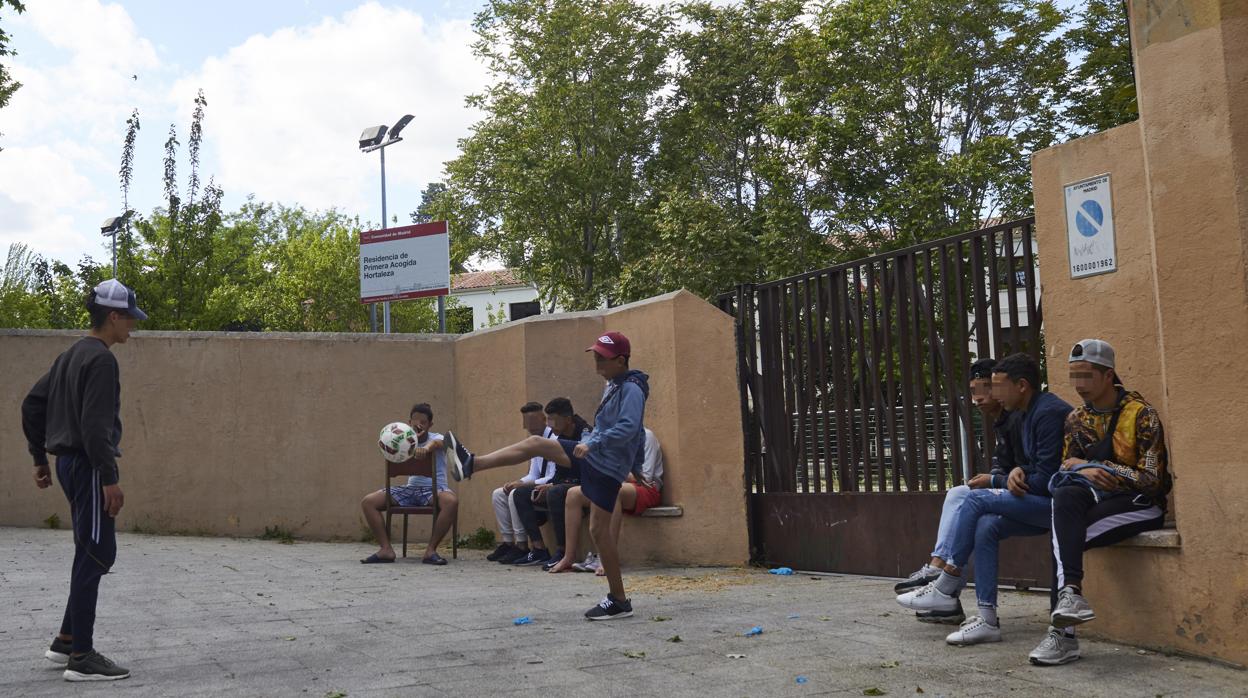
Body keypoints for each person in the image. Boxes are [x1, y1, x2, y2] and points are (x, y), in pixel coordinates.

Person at [446, 330, 649, 620]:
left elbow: (630, 427)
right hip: (596, 458)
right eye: (595, 356)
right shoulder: (614, 384)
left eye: (602, 358)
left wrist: (593, 443)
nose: (596, 363)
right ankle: (471, 464)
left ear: (620, 360)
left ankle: (618, 599)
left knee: (598, 533)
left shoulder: (631, 389)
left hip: (605, 466)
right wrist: (598, 444)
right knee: (536, 443)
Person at [898, 352, 1073, 646]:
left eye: (997, 386)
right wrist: (1016, 472)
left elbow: (1046, 481)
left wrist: (1000, 480)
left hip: (1059, 507)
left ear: (1021, 386)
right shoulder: (1028, 413)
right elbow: (1029, 466)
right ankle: (987, 619)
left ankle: (948, 580)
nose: (992, 394)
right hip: (1040, 502)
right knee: (986, 526)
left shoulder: (1046, 413)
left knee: (975, 500)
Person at [21, 279, 147, 682]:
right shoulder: (102, 360)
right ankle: (83, 657)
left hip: (69, 465)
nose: (132, 326)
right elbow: (95, 428)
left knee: (87, 551)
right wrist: (110, 477)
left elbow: (32, 404)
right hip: (90, 467)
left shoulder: (71, 354)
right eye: (129, 318)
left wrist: (40, 457)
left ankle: (65, 640)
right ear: (113, 316)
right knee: (97, 553)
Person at [1028, 339, 1170, 666]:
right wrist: (1083, 469)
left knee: (1063, 542)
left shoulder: (1141, 415)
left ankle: (1062, 635)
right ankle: (1071, 598)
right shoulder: (1076, 419)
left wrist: (1098, 467)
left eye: (1087, 376)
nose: (1078, 386)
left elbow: (1151, 480)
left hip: (1141, 505)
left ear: (1108, 376)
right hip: (1098, 499)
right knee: (1064, 495)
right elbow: (1067, 466)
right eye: (1073, 376)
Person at [892, 358, 1023, 625]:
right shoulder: (1003, 422)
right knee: (967, 508)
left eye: (986, 388)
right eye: (973, 390)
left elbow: (1025, 469)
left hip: (1031, 496)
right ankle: (946, 597)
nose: (978, 398)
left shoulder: (1018, 418)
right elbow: (1005, 467)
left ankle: (938, 572)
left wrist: (994, 480)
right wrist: (993, 477)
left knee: (962, 498)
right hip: (1014, 492)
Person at [548, 427, 663, 575]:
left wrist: (609, 468)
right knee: (573, 494)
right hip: (618, 484)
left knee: (611, 491)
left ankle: (607, 558)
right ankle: (568, 556)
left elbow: (644, 477)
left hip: (647, 489)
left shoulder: (646, 436)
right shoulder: (612, 438)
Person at [359, 403, 457, 565]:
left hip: (434, 490)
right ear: (408, 422)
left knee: (451, 501)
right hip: (409, 489)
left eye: (423, 423)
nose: (418, 426)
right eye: (414, 422)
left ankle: (430, 550)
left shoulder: (437, 438)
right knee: (368, 502)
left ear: (430, 424)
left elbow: (441, 443)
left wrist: (426, 447)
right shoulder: (401, 440)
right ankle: (386, 550)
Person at [507, 398, 590, 567]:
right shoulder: (559, 437)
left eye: (554, 420)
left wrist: (552, 485)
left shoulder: (585, 433)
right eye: (549, 420)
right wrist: (549, 484)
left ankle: (561, 550)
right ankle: (539, 549)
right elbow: (558, 472)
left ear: (568, 419)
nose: (551, 425)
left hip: (585, 483)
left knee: (555, 492)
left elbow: (586, 468)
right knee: (521, 493)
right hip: (565, 484)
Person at [487, 402, 555, 563]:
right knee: (498, 494)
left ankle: (522, 545)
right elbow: (533, 473)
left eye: (533, 422)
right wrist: (518, 481)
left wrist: (522, 486)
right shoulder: (534, 440)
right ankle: (508, 543)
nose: (530, 427)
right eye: (527, 423)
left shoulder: (554, 439)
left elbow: (553, 476)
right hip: (538, 485)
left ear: (543, 419)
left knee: (515, 494)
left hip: (550, 487)